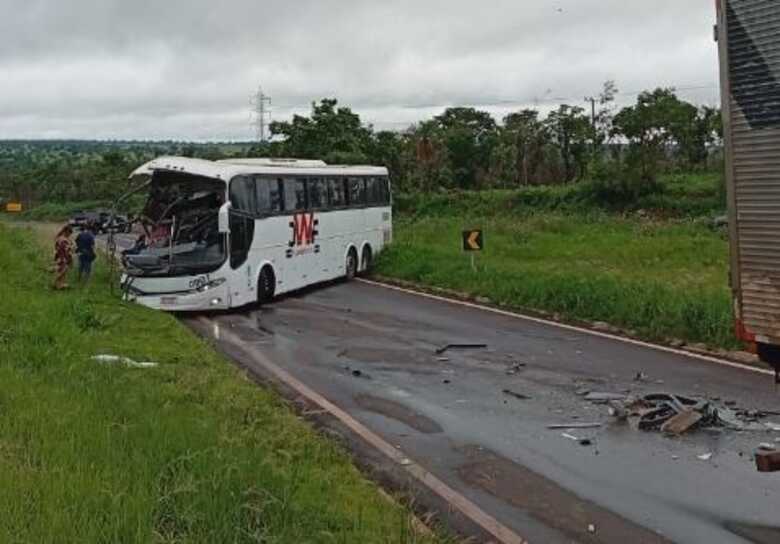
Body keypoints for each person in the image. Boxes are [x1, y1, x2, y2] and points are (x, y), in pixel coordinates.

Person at [53, 225, 74, 290]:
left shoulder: (60, 238)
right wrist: (70, 259)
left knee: (62, 272)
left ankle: (60, 285)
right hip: (63, 258)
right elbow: (66, 250)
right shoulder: (63, 240)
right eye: (69, 233)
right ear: (66, 231)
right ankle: (56, 284)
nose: (69, 235)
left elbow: (57, 248)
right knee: (62, 272)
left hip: (60, 257)